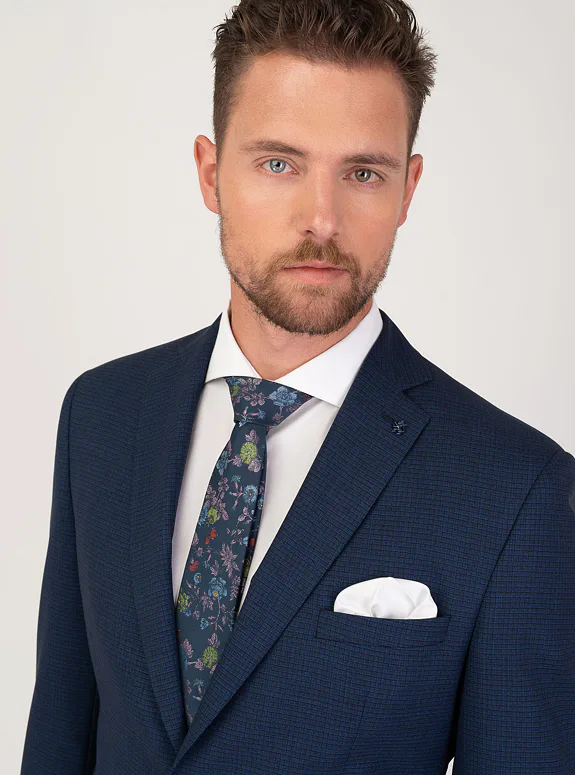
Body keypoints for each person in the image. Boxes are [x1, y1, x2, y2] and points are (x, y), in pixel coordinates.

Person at [21, 1, 575, 773]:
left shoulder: (515, 487)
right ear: (210, 173)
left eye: (362, 173)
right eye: (278, 163)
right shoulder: (102, 416)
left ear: (407, 189)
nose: (321, 220)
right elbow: (60, 732)